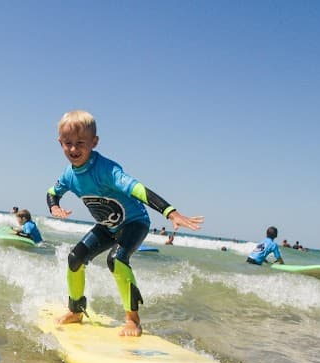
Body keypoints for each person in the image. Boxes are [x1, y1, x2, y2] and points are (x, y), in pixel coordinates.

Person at [47, 110, 204, 337]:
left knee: (117, 260)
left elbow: (138, 189)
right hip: (107, 226)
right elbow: (52, 192)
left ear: (94, 142)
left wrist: (170, 212)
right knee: (75, 259)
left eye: (80, 143)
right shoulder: (69, 175)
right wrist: (54, 206)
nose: (73, 149)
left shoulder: (107, 170)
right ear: (60, 143)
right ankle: (76, 311)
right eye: (68, 143)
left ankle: (133, 320)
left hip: (134, 222)